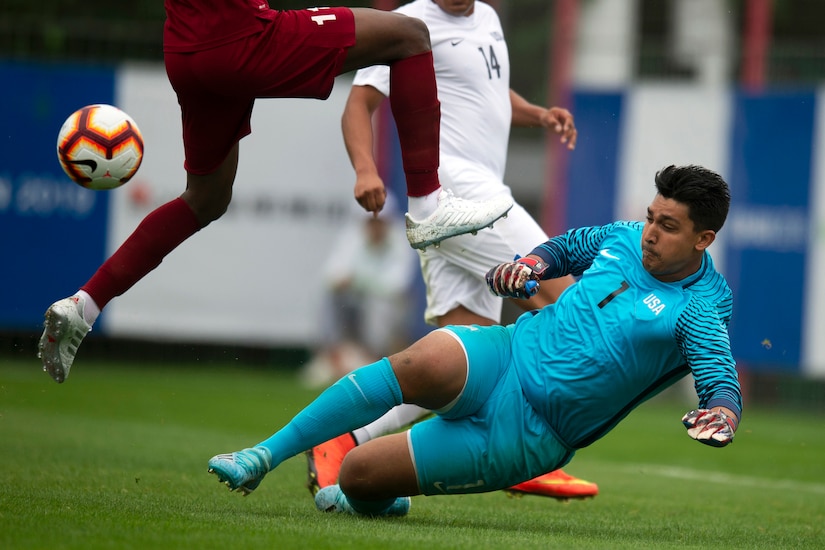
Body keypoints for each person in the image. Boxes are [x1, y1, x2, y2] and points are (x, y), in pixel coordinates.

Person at [207, 164, 742, 519]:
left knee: (357, 477)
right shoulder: (626, 237)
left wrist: (722, 409)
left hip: (530, 433)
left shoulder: (701, 306)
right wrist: (530, 264)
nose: (650, 231)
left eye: (668, 226)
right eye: (651, 216)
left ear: (703, 239)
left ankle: (382, 496)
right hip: (505, 354)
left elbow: (717, 370)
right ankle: (261, 455)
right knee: (427, 356)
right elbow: (569, 246)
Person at [37, 0, 516, 384]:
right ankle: (428, 205)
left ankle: (85, 304)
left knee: (205, 199)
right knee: (409, 34)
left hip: (185, 49)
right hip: (241, 34)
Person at [305, 0, 595, 501]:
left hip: (470, 196)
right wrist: (365, 169)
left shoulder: (487, 17)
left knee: (460, 360)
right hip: (455, 194)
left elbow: (485, 93)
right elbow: (360, 103)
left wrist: (536, 114)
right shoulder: (408, 23)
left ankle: (345, 437)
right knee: (568, 306)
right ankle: (522, 447)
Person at [303, 206, 417, 385]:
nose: (375, 228)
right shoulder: (352, 238)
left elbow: (396, 286)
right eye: (371, 222)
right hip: (353, 302)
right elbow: (331, 275)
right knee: (328, 296)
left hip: (389, 308)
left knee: (379, 304)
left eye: (379, 222)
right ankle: (332, 355)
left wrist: (357, 281)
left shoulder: (401, 241)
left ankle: (372, 357)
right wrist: (344, 282)